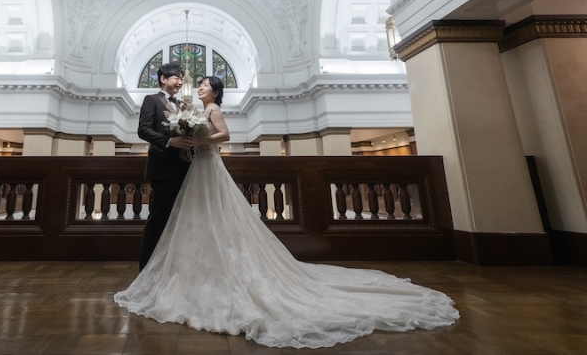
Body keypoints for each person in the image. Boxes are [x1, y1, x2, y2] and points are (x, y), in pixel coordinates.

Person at [116, 76, 459, 349]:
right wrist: (185, 137)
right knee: (194, 220)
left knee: (214, 217)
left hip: (206, 166)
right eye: (199, 84)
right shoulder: (187, 108)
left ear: (215, 91)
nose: (199, 86)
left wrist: (199, 141)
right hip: (193, 170)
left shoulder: (213, 109)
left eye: (204, 84)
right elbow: (162, 131)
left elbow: (223, 135)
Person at [137, 62, 195, 271]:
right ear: (163, 78)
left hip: (184, 167)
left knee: (181, 218)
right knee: (159, 218)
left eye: (181, 78)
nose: (180, 82)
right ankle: (147, 269)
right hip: (163, 168)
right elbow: (143, 130)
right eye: (176, 77)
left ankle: (173, 266)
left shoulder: (182, 105)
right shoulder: (151, 100)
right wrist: (170, 141)